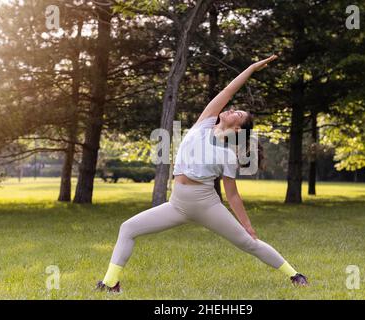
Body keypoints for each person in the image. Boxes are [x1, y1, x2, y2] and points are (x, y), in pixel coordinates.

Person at [96, 54, 308, 293]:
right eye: (234, 109)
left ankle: (295, 275)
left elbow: (233, 195)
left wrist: (247, 225)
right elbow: (228, 91)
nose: (231, 110)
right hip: (177, 204)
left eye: (237, 114)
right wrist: (250, 68)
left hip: (206, 205)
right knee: (128, 228)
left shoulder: (229, 155)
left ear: (237, 128)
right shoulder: (204, 122)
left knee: (249, 243)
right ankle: (110, 284)